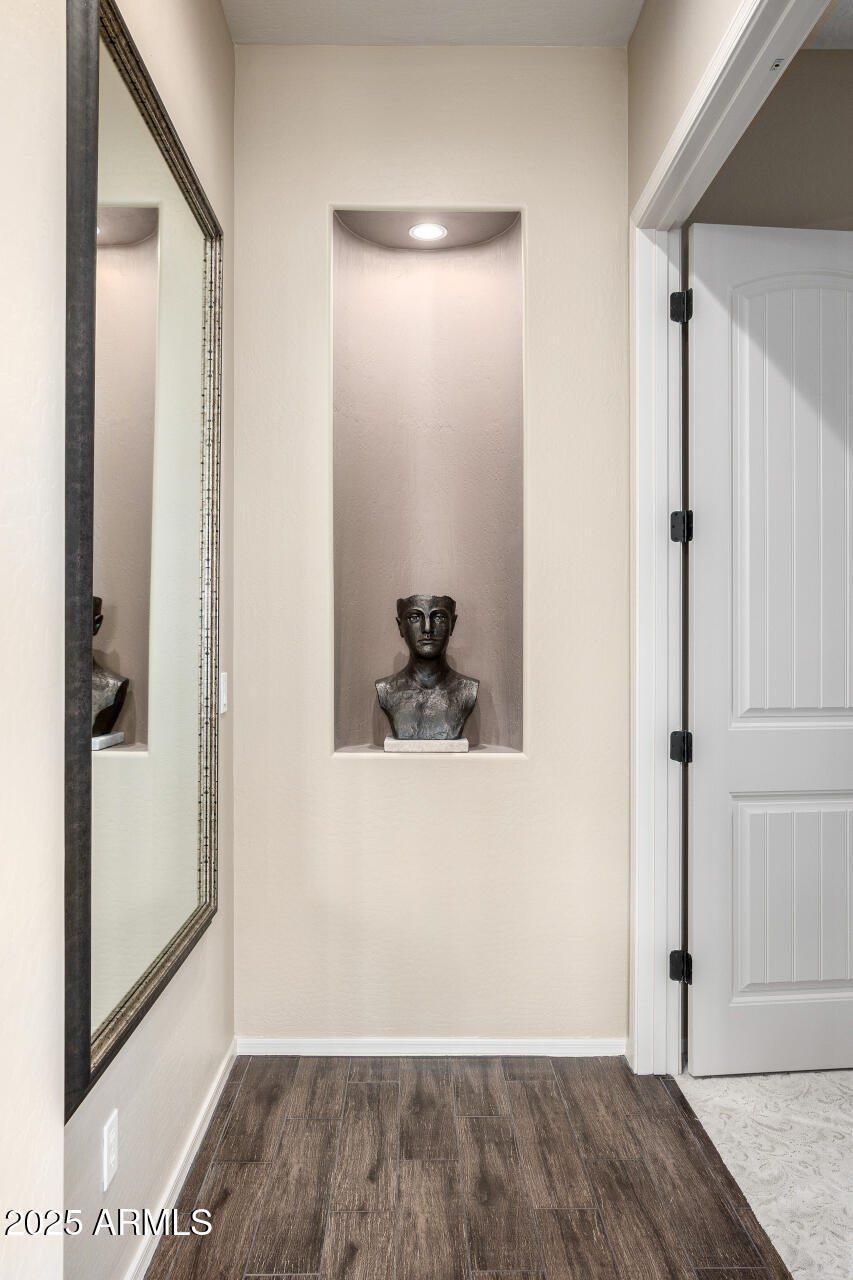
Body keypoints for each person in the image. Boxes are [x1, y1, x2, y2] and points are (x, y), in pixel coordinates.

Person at [376, 593, 478, 740]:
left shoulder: (468, 689)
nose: (428, 629)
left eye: (439, 618)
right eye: (414, 618)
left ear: (452, 625)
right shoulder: (386, 689)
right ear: (400, 627)